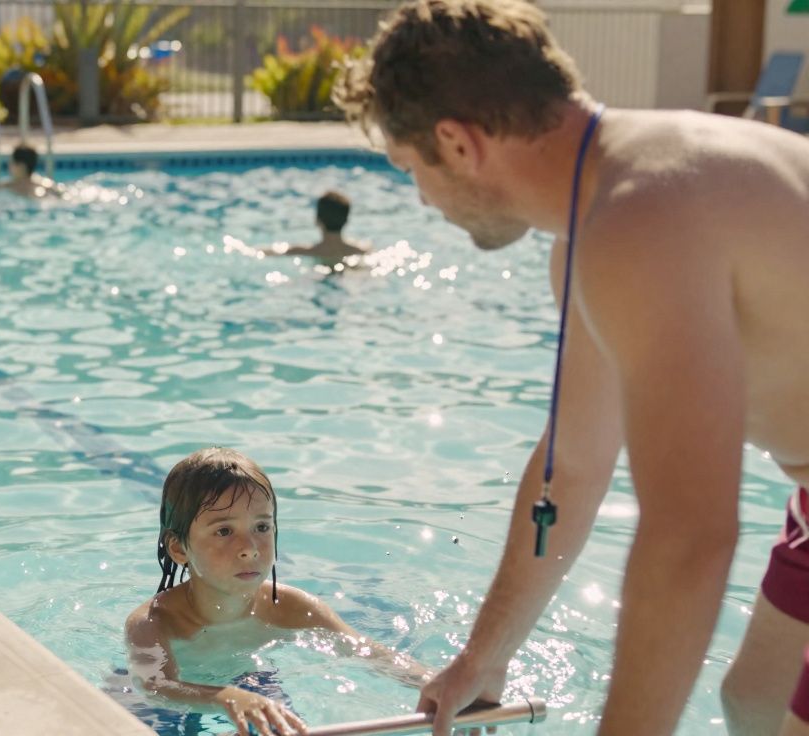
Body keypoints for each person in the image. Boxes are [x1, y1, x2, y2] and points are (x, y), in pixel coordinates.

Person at [332, 1, 809, 734]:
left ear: (456, 143)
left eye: (409, 170)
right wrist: (483, 658)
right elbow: (574, 465)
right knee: (755, 703)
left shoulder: (639, 218)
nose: (423, 201)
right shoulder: (610, 212)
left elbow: (690, 536)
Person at [125, 447, 430, 736]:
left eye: (261, 527)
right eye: (224, 531)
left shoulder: (290, 607)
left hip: (249, 685)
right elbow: (156, 686)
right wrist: (225, 697)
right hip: (172, 706)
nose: (249, 549)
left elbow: (373, 655)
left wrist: (435, 682)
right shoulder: (154, 623)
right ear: (179, 548)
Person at [269, 191, 372, 268]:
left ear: (317, 220)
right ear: (346, 221)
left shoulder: (305, 251)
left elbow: (269, 252)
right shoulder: (363, 250)